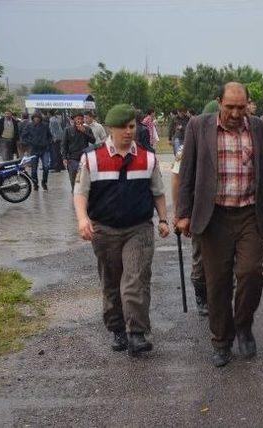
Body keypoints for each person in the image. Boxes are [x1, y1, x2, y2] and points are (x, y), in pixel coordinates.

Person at [176, 82, 263, 367]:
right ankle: (221, 340)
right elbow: (187, 173)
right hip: (214, 216)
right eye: (229, 106)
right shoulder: (198, 127)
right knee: (217, 282)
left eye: (241, 107)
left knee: (251, 273)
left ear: (248, 104)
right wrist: (183, 213)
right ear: (218, 101)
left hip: (249, 214)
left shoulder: (261, 130)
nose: (235, 112)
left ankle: (243, 326)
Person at [73, 104, 170, 356]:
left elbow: (158, 192)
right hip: (104, 231)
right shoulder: (91, 157)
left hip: (138, 229)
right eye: (123, 127)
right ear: (110, 129)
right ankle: (117, 328)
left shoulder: (148, 157)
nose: (129, 132)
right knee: (112, 282)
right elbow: (80, 193)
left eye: (132, 126)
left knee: (135, 280)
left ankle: (137, 334)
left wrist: (163, 219)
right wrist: (83, 219)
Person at [170, 144, 209, 316]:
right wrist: (179, 212)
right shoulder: (187, 148)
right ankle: (201, 295)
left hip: (224, 208)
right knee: (200, 255)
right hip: (198, 208)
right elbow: (176, 179)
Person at [61, 111, 95, 191]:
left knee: (84, 178)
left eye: (81, 119)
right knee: (73, 178)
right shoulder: (68, 130)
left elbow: (93, 140)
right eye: (77, 119)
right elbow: (64, 145)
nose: (79, 120)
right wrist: (64, 158)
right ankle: (75, 193)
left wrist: (84, 132)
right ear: (74, 120)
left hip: (84, 157)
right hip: (72, 158)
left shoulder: (87, 129)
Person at [21, 112, 52, 190]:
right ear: (33, 118)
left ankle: (44, 182)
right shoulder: (29, 125)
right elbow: (23, 136)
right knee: (34, 169)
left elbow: (49, 136)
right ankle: (35, 183)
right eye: (35, 118)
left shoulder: (45, 125)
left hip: (44, 149)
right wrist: (30, 142)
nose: (37, 119)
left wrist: (47, 142)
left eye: (38, 118)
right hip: (34, 150)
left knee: (46, 167)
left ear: (40, 118)